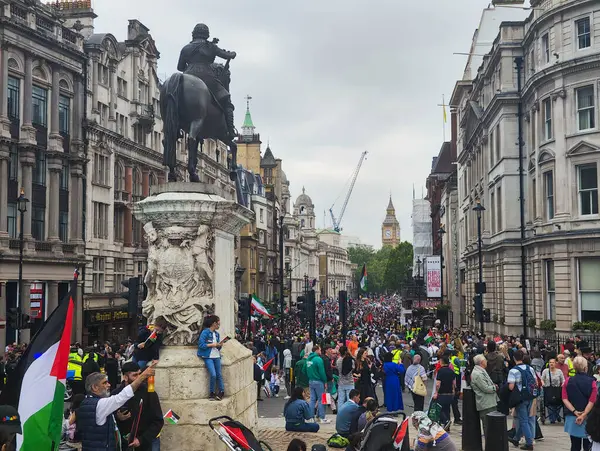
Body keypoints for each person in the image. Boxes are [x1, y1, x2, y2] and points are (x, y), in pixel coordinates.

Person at [176, 23, 237, 139]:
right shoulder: (210, 46)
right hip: (207, 77)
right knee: (226, 100)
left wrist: (190, 70)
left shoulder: (185, 48)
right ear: (206, 34)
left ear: (194, 33)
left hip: (187, 76)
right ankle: (230, 130)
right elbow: (227, 55)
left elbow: (180, 67)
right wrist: (232, 54)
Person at [77, 364, 155, 451]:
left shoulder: (87, 402)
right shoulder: (99, 404)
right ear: (95, 387)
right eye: (104, 383)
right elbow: (122, 396)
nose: (109, 385)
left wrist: (118, 417)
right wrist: (143, 376)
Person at [113, 362, 163, 451]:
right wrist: (118, 417)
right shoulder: (115, 394)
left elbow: (158, 421)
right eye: (135, 375)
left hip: (143, 444)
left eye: (140, 374)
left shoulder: (149, 393)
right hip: (123, 445)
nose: (140, 377)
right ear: (125, 377)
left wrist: (141, 440)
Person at [562, 356, 597, 451]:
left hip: (572, 415)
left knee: (574, 444)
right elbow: (592, 400)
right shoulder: (592, 382)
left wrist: (574, 411)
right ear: (586, 367)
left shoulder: (567, 381)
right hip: (588, 417)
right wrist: (584, 414)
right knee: (588, 445)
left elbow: (565, 399)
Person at [507, 349, 537, 450]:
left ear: (514, 358)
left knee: (524, 421)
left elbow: (511, 387)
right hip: (530, 396)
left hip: (520, 398)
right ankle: (516, 438)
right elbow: (535, 381)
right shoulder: (530, 368)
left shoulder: (513, 371)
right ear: (523, 358)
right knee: (525, 419)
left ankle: (529, 443)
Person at [197, 315, 227, 401]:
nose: (219, 326)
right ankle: (212, 392)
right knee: (213, 374)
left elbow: (218, 347)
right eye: (218, 324)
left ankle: (221, 391)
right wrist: (212, 345)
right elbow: (201, 345)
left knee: (219, 375)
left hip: (217, 356)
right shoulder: (205, 332)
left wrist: (219, 345)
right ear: (214, 323)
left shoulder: (217, 334)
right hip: (208, 356)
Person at [469, 354, 498, 434]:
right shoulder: (477, 374)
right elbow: (485, 388)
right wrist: (494, 388)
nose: (487, 362)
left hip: (489, 402)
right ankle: (489, 444)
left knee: (492, 426)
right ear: (482, 362)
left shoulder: (481, 371)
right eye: (485, 360)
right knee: (488, 426)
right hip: (486, 404)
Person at [307, 345, 330, 423]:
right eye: (320, 350)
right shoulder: (318, 359)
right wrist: (325, 381)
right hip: (318, 381)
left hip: (311, 381)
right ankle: (322, 417)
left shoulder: (308, 359)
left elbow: (304, 370)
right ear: (316, 350)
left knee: (312, 399)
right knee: (322, 399)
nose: (320, 351)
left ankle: (310, 417)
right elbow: (322, 372)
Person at [434, 355, 456, 430]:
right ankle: (447, 426)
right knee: (447, 409)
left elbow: (438, 384)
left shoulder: (440, 371)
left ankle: (446, 421)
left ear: (442, 362)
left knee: (439, 409)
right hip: (449, 393)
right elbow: (453, 383)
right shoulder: (451, 371)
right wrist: (453, 391)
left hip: (442, 393)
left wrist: (436, 392)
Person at [541, 357, 565, 424]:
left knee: (558, 403)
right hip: (548, 389)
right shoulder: (545, 371)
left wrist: (562, 385)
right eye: (550, 362)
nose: (551, 364)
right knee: (549, 403)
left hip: (557, 389)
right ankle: (552, 418)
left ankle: (557, 415)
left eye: (553, 362)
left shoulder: (559, 371)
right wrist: (543, 383)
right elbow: (542, 379)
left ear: (555, 363)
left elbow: (563, 380)